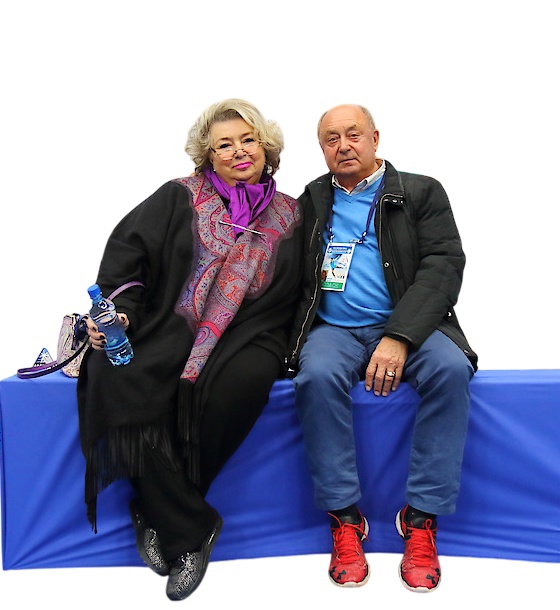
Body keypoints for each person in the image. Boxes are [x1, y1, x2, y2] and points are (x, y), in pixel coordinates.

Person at [77, 98, 303, 601]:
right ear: (208, 156)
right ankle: (190, 528)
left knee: (240, 385)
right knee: (116, 374)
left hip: (253, 332)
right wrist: (122, 313)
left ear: (266, 146)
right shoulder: (177, 196)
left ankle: (153, 510)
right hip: (170, 323)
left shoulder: (295, 212)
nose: (239, 151)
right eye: (225, 145)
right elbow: (128, 259)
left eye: (248, 140)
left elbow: (303, 288)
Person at [287, 104, 477, 592]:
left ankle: (421, 518)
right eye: (331, 139)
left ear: (375, 138)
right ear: (321, 148)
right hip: (333, 329)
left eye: (353, 134)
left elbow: (444, 265)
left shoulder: (420, 191)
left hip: (408, 326)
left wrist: (399, 336)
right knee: (315, 376)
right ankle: (345, 517)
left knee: (451, 370)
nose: (343, 146)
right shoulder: (311, 199)